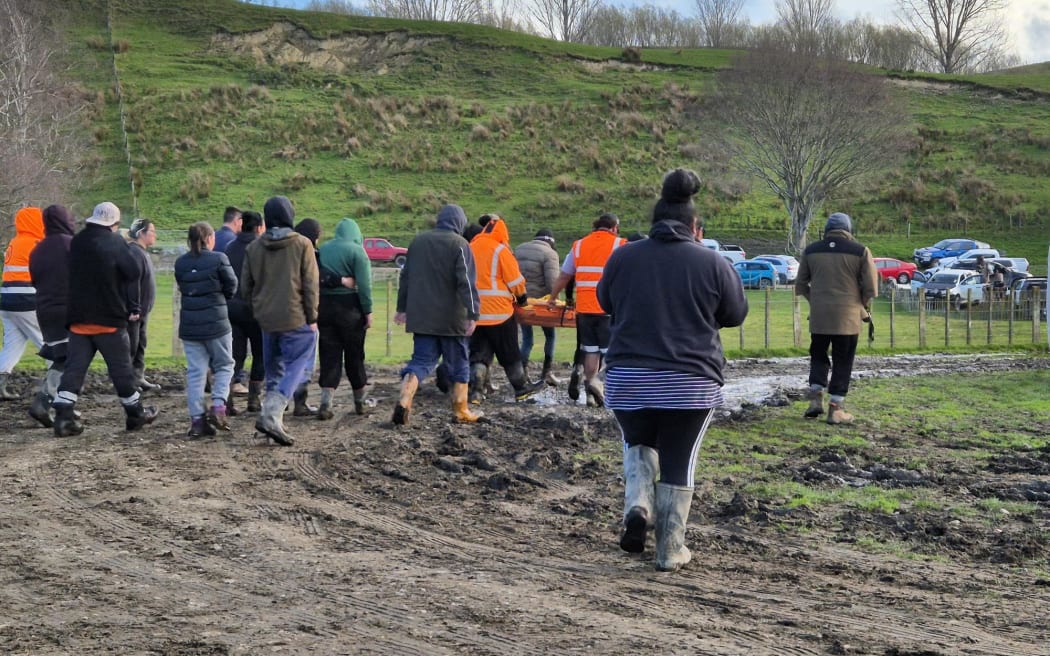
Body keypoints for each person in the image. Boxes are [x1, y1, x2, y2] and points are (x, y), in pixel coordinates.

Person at [597, 168, 748, 572]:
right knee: (680, 460)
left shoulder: (623, 256)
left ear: (653, 222)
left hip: (628, 379)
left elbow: (604, 301)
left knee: (637, 442)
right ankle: (669, 549)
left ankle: (638, 504)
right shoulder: (712, 262)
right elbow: (735, 314)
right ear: (695, 227)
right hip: (690, 383)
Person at [51, 202, 159, 436]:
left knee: (74, 370)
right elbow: (132, 271)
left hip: (78, 320)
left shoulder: (77, 241)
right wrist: (133, 306)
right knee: (121, 370)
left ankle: (63, 417)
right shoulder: (115, 242)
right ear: (114, 224)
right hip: (108, 321)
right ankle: (135, 414)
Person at [392, 204, 482, 425]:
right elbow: (466, 284)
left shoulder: (418, 242)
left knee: (421, 361)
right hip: (452, 319)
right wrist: (473, 313)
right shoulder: (460, 244)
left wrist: (402, 308)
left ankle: (405, 399)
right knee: (459, 363)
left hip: (422, 317)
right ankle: (461, 410)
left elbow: (406, 279)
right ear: (459, 223)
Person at [240, 196, 319, 446]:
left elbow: (245, 287)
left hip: (265, 319)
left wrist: (259, 308)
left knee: (274, 366)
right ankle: (272, 413)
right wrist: (312, 316)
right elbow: (310, 284)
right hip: (295, 317)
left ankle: (272, 419)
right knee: (300, 360)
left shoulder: (253, 247)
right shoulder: (303, 244)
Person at [795, 212, 878, 425]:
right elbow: (870, 288)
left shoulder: (810, 251)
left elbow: (801, 285)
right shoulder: (861, 251)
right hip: (849, 318)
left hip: (820, 317)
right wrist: (863, 305)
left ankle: (815, 398)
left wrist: (816, 301)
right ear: (849, 230)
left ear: (826, 230)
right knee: (843, 359)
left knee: (818, 355)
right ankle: (836, 407)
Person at [547, 212, 627, 406]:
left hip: (584, 309)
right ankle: (600, 386)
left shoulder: (579, 245)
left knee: (590, 351)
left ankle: (590, 393)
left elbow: (564, 276)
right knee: (608, 352)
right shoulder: (620, 245)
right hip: (608, 307)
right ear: (614, 227)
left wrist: (553, 297)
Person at [467, 215, 544, 404]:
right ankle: (521, 389)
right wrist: (522, 298)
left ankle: (476, 392)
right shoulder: (500, 250)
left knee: (479, 353)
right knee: (509, 353)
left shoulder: (469, 248)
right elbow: (515, 280)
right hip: (499, 313)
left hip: (474, 312)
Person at [174, 222, 238, 438]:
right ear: (210, 238)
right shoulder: (219, 258)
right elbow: (232, 285)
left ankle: (197, 420)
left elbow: (183, 286)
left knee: (196, 372)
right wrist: (221, 299)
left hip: (190, 326)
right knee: (225, 365)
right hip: (217, 323)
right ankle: (219, 405)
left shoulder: (181, 262)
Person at [316, 217, 373, 419]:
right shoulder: (358, 252)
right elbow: (365, 286)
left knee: (329, 355)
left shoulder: (323, 249)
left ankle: (325, 403)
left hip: (324, 307)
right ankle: (360, 402)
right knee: (355, 355)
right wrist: (368, 311)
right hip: (350, 310)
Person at [26, 205, 75, 427]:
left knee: (61, 356)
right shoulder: (71, 245)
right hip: (69, 308)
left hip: (45, 310)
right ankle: (47, 402)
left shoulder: (37, 250)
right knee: (71, 358)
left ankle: (57, 402)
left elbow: (35, 280)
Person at [0, 206, 46, 401]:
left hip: (7, 301)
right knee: (49, 343)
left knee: (12, 343)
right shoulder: (36, 243)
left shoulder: (15, 242)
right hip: (27, 300)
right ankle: (56, 387)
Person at [225, 210, 265, 413]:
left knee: (235, 355)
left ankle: (228, 398)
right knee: (260, 353)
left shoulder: (230, 247)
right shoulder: (261, 249)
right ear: (259, 227)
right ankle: (254, 398)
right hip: (256, 309)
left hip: (232, 308)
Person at [514, 228, 561, 386]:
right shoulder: (550, 254)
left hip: (522, 302)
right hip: (542, 304)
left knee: (527, 339)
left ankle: (522, 373)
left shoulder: (519, 249)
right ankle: (547, 372)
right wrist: (556, 301)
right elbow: (553, 282)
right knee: (550, 336)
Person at [290, 217, 323, 417]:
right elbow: (312, 287)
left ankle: (280, 401)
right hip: (304, 314)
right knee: (306, 359)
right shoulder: (313, 256)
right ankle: (300, 402)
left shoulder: (285, 252)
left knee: (284, 359)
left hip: (283, 312)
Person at [126, 218, 161, 392]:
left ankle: (138, 377)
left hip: (143, 311)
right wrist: (134, 307)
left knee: (140, 344)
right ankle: (127, 382)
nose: (155, 235)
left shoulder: (142, 252)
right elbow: (132, 282)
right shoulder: (134, 252)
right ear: (141, 233)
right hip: (135, 311)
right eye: (152, 231)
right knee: (131, 346)